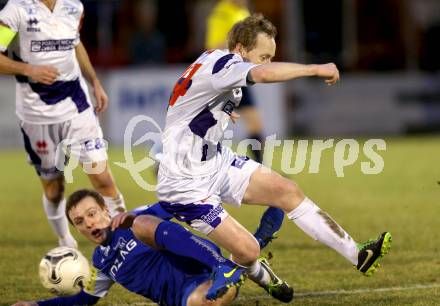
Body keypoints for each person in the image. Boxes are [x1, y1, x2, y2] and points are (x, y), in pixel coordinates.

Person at [157, 13, 392, 302]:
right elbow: (264, 75)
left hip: (215, 162)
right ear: (241, 49)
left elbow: (189, 99)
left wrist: (217, 113)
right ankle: (237, 267)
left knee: (286, 190)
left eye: (271, 57)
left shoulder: (214, 61)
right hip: (185, 185)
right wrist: (316, 68)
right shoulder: (228, 64)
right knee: (248, 250)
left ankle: (359, 254)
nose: (266, 64)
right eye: (263, 56)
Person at [12, 189, 290, 305]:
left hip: (207, 273)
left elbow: (180, 204)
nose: (88, 223)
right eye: (80, 222)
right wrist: (37, 304)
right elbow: (85, 299)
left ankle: (225, 265)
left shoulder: (134, 218)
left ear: (105, 211)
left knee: (141, 222)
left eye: (92, 214)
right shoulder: (101, 261)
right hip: (193, 297)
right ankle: (245, 260)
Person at [0, 0, 126, 248]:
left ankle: (124, 236)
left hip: (77, 105)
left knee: (102, 177)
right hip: (37, 114)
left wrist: (94, 81)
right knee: (53, 188)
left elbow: (75, 43)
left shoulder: (73, 6)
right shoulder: (16, 10)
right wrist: (29, 69)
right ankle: (64, 240)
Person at [206, 0, 264, 163]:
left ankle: (261, 169)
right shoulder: (221, 14)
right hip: (225, 75)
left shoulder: (243, 11)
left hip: (239, 75)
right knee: (208, 125)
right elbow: (214, 46)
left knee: (254, 122)